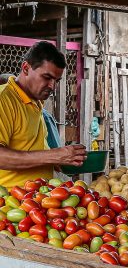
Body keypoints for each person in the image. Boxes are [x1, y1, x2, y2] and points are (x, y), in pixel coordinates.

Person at [0, 41, 86, 189]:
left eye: (56, 81)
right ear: (26, 68)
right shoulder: (4, 99)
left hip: (38, 201)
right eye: (47, 77)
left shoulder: (35, 100)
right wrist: (53, 155)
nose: (52, 86)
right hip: (10, 204)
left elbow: (28, 146)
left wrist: (56, 159)